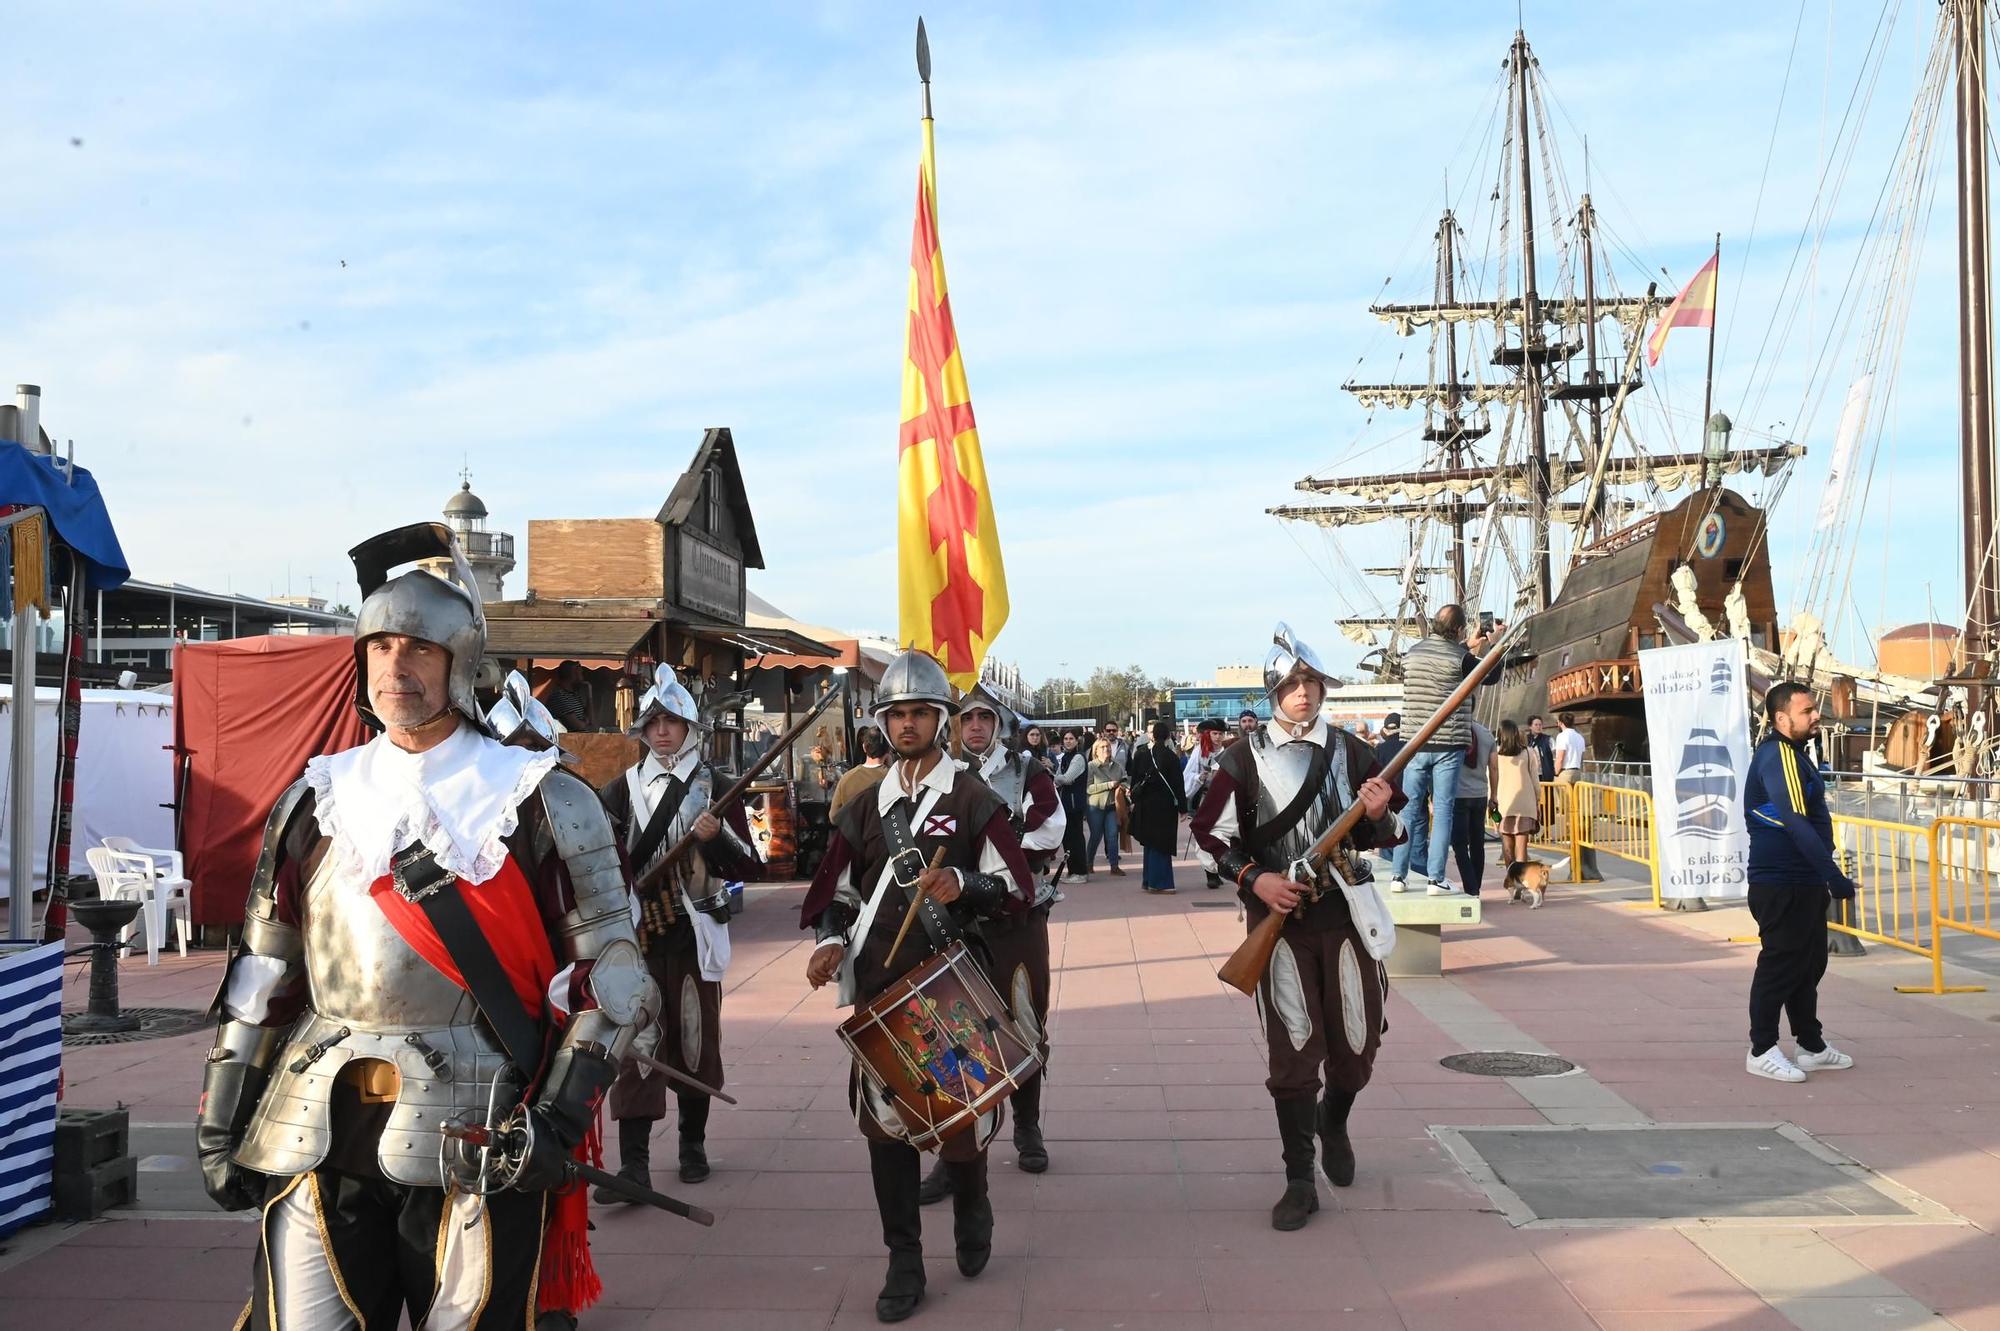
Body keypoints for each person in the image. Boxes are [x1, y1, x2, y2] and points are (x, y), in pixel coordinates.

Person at [195, 522, 646, 1330]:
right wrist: (221, 1110)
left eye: (417, 649)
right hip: (316, 1122)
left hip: (482, 1124)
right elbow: (264, 969)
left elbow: (611, 976)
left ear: (460, 663)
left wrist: (560, 1120)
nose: (394, 667)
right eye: (379, 648)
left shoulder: (542, 798)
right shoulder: (315, 799)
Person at [799, 649, 1034, 1323]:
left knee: (960, 1120)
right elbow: (834, 892)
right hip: (879, 988)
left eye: (919, 713)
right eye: (896, 714)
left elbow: (1019, 888)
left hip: (950, 986)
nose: (906, 725)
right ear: (884, 721)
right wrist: (828, 941)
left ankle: (972, 1198)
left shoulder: (972, 798)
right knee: (886, 1129)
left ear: (942, 719)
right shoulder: (866, 802)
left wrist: (967, 883)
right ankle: (904, 1259)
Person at [1191, 623, 1400, 1232]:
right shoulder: (1239, 759)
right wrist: (1256, 879)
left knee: (1357, 1048)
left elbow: (1380, 836)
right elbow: (1210, 836)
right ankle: (1299, 1177)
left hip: (1344, 915)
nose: (1303, 692)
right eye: (1291, 683)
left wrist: (1379, 813)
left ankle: (1335, 1120)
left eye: (1310, 681)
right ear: (1272, 692)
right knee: (1293, 1051)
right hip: (1277, 924)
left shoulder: (1354, 751)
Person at [596, 667, 758, 1196]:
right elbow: (602, 862)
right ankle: (634, 1165)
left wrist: (713, 841)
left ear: (691, 727)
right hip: (640, 932)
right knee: (635, 1041)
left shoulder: (717, 787)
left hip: (693, 930)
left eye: (672, 721)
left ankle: (692, 1145)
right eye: (654, 721)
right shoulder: (618, 792)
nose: (662, 730)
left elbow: (748, 867)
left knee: (694, 1036)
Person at [918, 684, 1065, 1205]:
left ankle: (1027, 1127)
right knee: (953, 1031)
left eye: (984, 717)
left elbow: (1050, 832)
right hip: (954, 919)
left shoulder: (1028, 772)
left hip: (1016, 915)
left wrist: (991, 845)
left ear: (998, 723)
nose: (975, 725)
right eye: (966, 718)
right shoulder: (939, 777)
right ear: (953, 726)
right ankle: (955, 1151)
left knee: (1025, 1019)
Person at [1743, 683, 1859, 1083]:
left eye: (1815, 710)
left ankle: (1810, 1044)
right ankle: (1761, 1049)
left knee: (1808, 965)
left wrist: (1820, 877)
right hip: (1780, 883)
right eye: (1807, 711)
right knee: (1780, 965)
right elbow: (1794, 820)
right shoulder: (1777, 755)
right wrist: (1834, 876)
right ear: (1781, 718)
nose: (1815, 716)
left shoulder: (1798, 755)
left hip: (1803, 881)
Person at [1389, 606, 1499, 896]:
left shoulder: (1412, 654)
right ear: (1461, 630)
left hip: (1414, 742)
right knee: (1443, 810)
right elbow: (1492, 674)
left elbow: (1439, 657)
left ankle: (1398, 877)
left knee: (1409, 810)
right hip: (1449, 743)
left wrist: (1467, 645)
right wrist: (1494, 642)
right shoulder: (1461, 658)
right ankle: (1436, 879)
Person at [1128, 719, 1188, 893]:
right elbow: (1178, 784)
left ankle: (1148, 880)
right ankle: (1160, 882)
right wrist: (1183, 808)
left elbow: (1134, 782)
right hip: (1164, 806)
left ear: (1152, 736)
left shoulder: (1140, 754)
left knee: (1149, 843)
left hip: (1145, 805)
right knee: (1162, 844)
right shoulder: (1171, 757)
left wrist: (1134, 802)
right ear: (1168, 736)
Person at [1552, 711, 1602, 881]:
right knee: (1578, 808)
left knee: (1567, 809)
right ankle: (1578, 833)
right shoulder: (1580, 737)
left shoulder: (1562, 737)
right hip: (1577, 771)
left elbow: (1560, 757)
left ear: (1560, 723)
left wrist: (1555, 772)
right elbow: (1581, 757)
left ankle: (1570, 833)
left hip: (1565, 772)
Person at [1450, 718, 1497, 896]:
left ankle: (1471, 887)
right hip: (1480, 794)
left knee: (1459, 844)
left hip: (1458, 794)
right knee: (1478, 844)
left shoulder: (1453, 732)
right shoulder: (1487, 734)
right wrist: (1494, 795)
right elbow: (1493, 767)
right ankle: (1475, 885)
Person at [1184, 718, 1231, 889]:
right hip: (1205, 800)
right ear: (1208, 734)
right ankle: (1210, 873)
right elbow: (1187, 775)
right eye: (1215, 733)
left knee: (1223, 835)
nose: (1218, 737)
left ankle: (1217, 869)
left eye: (1220, 734)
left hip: (1226, 800)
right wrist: (1199, 777)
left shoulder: (1228, 751)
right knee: (1203, 835)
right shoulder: (1199, 752)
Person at [1491, 719, 1541, 873]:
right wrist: (1537, 801)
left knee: (1507, 847)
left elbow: (1490, 779)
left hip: (1503, 805)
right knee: (1521, 848)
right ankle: (1523, 882)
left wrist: (1490, 804)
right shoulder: (1528, 752)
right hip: (1525, 805)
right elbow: (1535, 781)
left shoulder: (1495, 755)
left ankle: (1512, 883)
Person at [1083, 736, 1128, 877]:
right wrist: (1108, 785)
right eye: (1102, 747)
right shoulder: (1091, 766)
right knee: (1096, 835)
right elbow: (1088, 788)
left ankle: (1114, 866)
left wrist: (1126, 787)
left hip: (1112, 806)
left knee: (1112, 835)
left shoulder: (1117, 765)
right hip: (1095, 806)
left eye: (1108, 746)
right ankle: (1088, 863)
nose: (1106, 749)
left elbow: (1124, 779)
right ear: (1096, 751)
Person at [832, 726, 893, 819]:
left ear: (864, 747)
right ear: (888, 750)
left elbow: (834, 817)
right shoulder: (894, 778)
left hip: (853, 833)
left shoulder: (846, 778)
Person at [1053, 729, 1090, 882]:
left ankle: (1080, 872)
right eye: (1066, 738)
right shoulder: (1066, 757)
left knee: (1075, 838)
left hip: (1074, 804)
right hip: (1066, 803)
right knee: (1068, 838)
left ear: (1077, 740)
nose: (1068, 741)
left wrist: (1051, 774)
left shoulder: (1078, 758)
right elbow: (1060, 777)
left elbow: (1067, 778)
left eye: (1071, 738)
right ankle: (1073, 870)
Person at [541, 659, 591, 731]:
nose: (582, 675)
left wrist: (589, 694)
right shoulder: (559, 696)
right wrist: (586, 722)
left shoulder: (574, 695)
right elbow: (578, 726)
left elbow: (591, 720)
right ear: (572, 675)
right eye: (580, 673)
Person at [1527, 714, 1556, 783]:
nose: (1538, 727)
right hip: (1530, 774)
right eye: (1536, 725)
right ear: (1530, 726)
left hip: (1545, 774)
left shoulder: (1548, 739)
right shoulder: (1525, 740)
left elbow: (1556, 754)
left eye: (1540, 725)